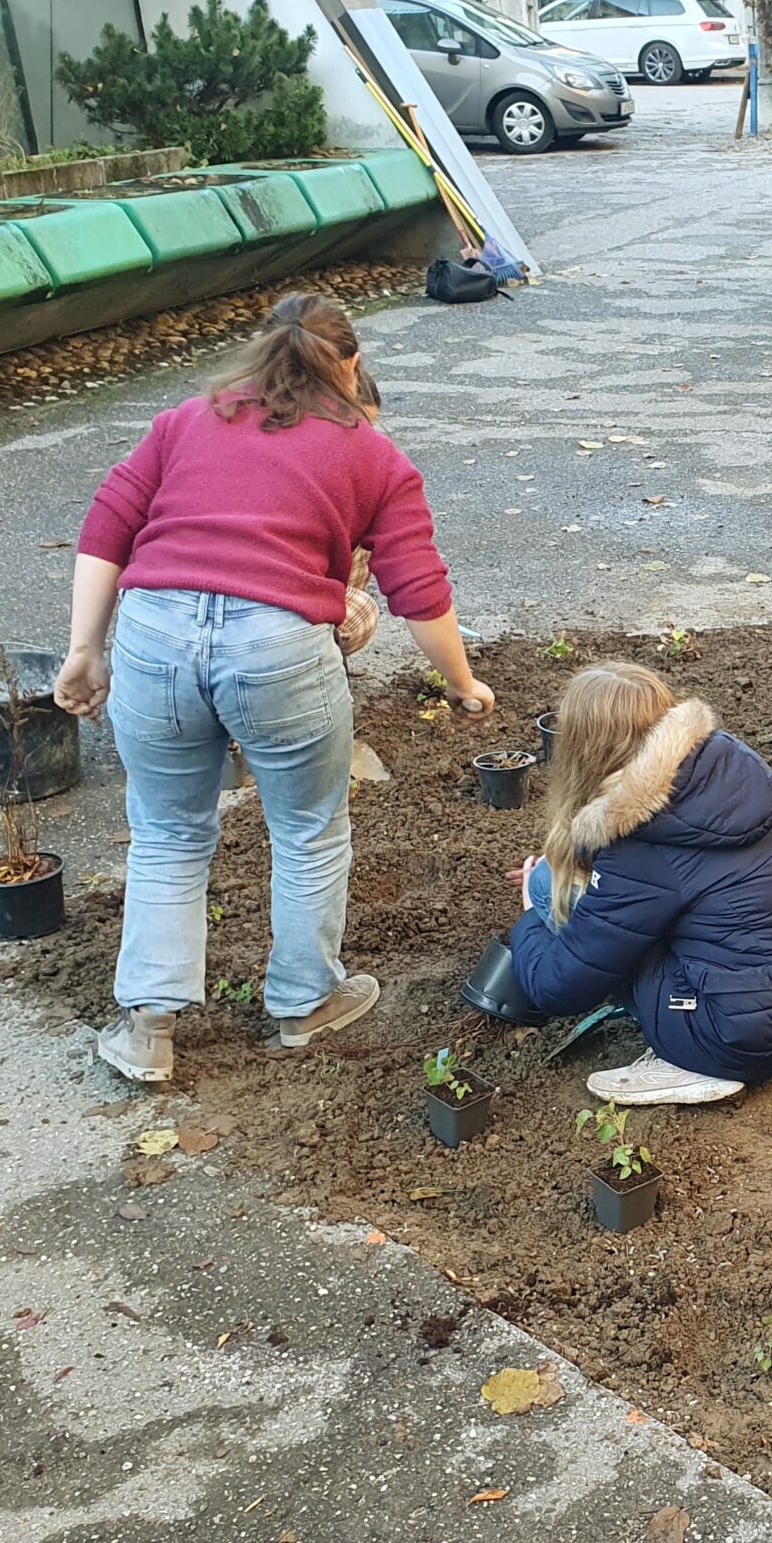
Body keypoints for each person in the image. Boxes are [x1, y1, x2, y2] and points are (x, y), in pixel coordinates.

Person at [53, 292, 493, 1086]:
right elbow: (420, 590)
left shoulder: (188, 420)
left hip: (152, 632)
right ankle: (304, 1002)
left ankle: (148, 1029)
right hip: (278, 646)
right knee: (309, 830)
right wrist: (462, 683)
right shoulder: (373, 455)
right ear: (351, 365)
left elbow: (110, 520)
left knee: (166, 832)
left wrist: (86, 649)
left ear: (262, 355)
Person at [508, 662, 772, 1106]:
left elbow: (557, 989)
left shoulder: (640, 850)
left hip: (737, 1036)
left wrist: (528, 923)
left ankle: (694, 1065)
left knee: (543, 888)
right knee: (567, 889)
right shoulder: (725, 765)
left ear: (584, 748)